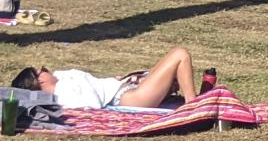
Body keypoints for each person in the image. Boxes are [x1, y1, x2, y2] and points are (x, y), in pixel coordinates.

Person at [14, 48, 207, 111]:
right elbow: (92, 106)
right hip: (128, 98)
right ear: (39, 82)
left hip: (126, 89)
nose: (48, 70)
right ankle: (192, 105)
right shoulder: (64, 94)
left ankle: (190, 98)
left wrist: (128, 79)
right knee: (180, 54)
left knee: (171, 64)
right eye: (43, 71)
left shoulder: (62, 81)